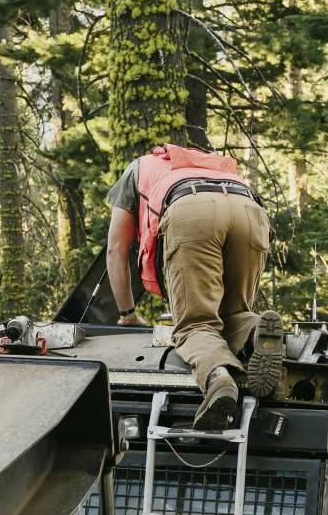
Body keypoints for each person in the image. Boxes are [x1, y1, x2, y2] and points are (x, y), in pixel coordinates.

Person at [105, 143, 280, 430]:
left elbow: (115, 250)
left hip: (192, 211)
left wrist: (127, 312)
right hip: (250, 211)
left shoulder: (140, 167)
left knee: (194, 326)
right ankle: (256, 332)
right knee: (233, 314)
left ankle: (218, 378)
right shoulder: (212, 166)